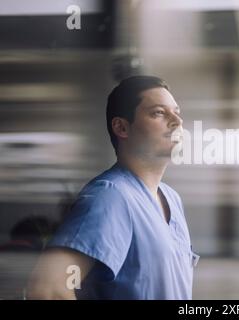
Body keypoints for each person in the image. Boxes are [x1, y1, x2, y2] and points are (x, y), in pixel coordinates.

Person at [27, 76, 199, 300]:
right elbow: (48, 288)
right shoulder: (111, 197)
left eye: (177, 111)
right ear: (122, 127)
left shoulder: (171, 198)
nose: (176, 121)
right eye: (158, 112)